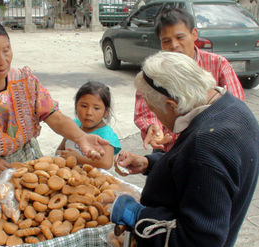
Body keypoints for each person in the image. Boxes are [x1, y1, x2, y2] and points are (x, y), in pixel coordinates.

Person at [111, 51, 259, 247]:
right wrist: (149, 163)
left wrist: (139, 216)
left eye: (155, 110)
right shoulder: (233, 108)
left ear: (172, 105)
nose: (158, 119)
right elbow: (194, 171)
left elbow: (198, 240)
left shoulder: (206, 146)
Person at [0, 18, 108, 178]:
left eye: (6, 50)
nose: (2, 61)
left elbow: (54, 117)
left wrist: (81, 137)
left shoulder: (24, 82)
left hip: (29, 162)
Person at [134, 8, 245, 152]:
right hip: (168, 147)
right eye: (166, 41)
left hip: (210, 147)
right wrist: (153, 128)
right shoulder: (154, 71)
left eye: (180, 37)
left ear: (194, 34)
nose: (174, 45)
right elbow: (145, 109)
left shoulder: (218, 64)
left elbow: (235, 108)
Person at [57, 81, 121, 169]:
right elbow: (60, 149)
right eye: (84, 106)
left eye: (96, 108)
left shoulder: (106, 135)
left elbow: (106, 163)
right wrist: (60, 155)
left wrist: (78, 159)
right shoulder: (74, 124)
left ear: (106, 112)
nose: (89, 112)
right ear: (76, 107)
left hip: (91, 180)